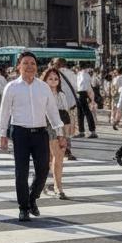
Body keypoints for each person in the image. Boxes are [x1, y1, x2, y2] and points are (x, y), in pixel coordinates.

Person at [0, 51, 63, 222]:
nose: (29, 66)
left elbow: (52, 111)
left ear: (36, 67)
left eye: (32, 63)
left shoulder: (43, 87)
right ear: (19, 66)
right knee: (22, 172)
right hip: (20, 132)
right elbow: (4, 112)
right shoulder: (12, 87)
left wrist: (60, 133)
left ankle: (32, 197)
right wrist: (2, 134)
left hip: (40, 133)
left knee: (43, 169)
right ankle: (23, 208)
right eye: (25, 63)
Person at [41, 68, 70, 200]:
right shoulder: (41, 94)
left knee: (58, 156)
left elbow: (66, 113)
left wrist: (69, 128)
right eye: (50, 78)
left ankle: (57, 186)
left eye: (56, 79)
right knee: (51, 155)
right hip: (46, 124)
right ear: (45, 80)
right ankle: (50, 184)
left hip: (60, 125)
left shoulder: (61, 95)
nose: (53, 81)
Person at [75, 62, 98, 138]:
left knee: (83, 112)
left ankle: (84, 131)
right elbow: (88, 86)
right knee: (84, 112)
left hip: (81, 93)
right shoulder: (85, 74)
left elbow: (84, 86)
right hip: (83, 93)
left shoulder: (81, 74)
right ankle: (89, 130)